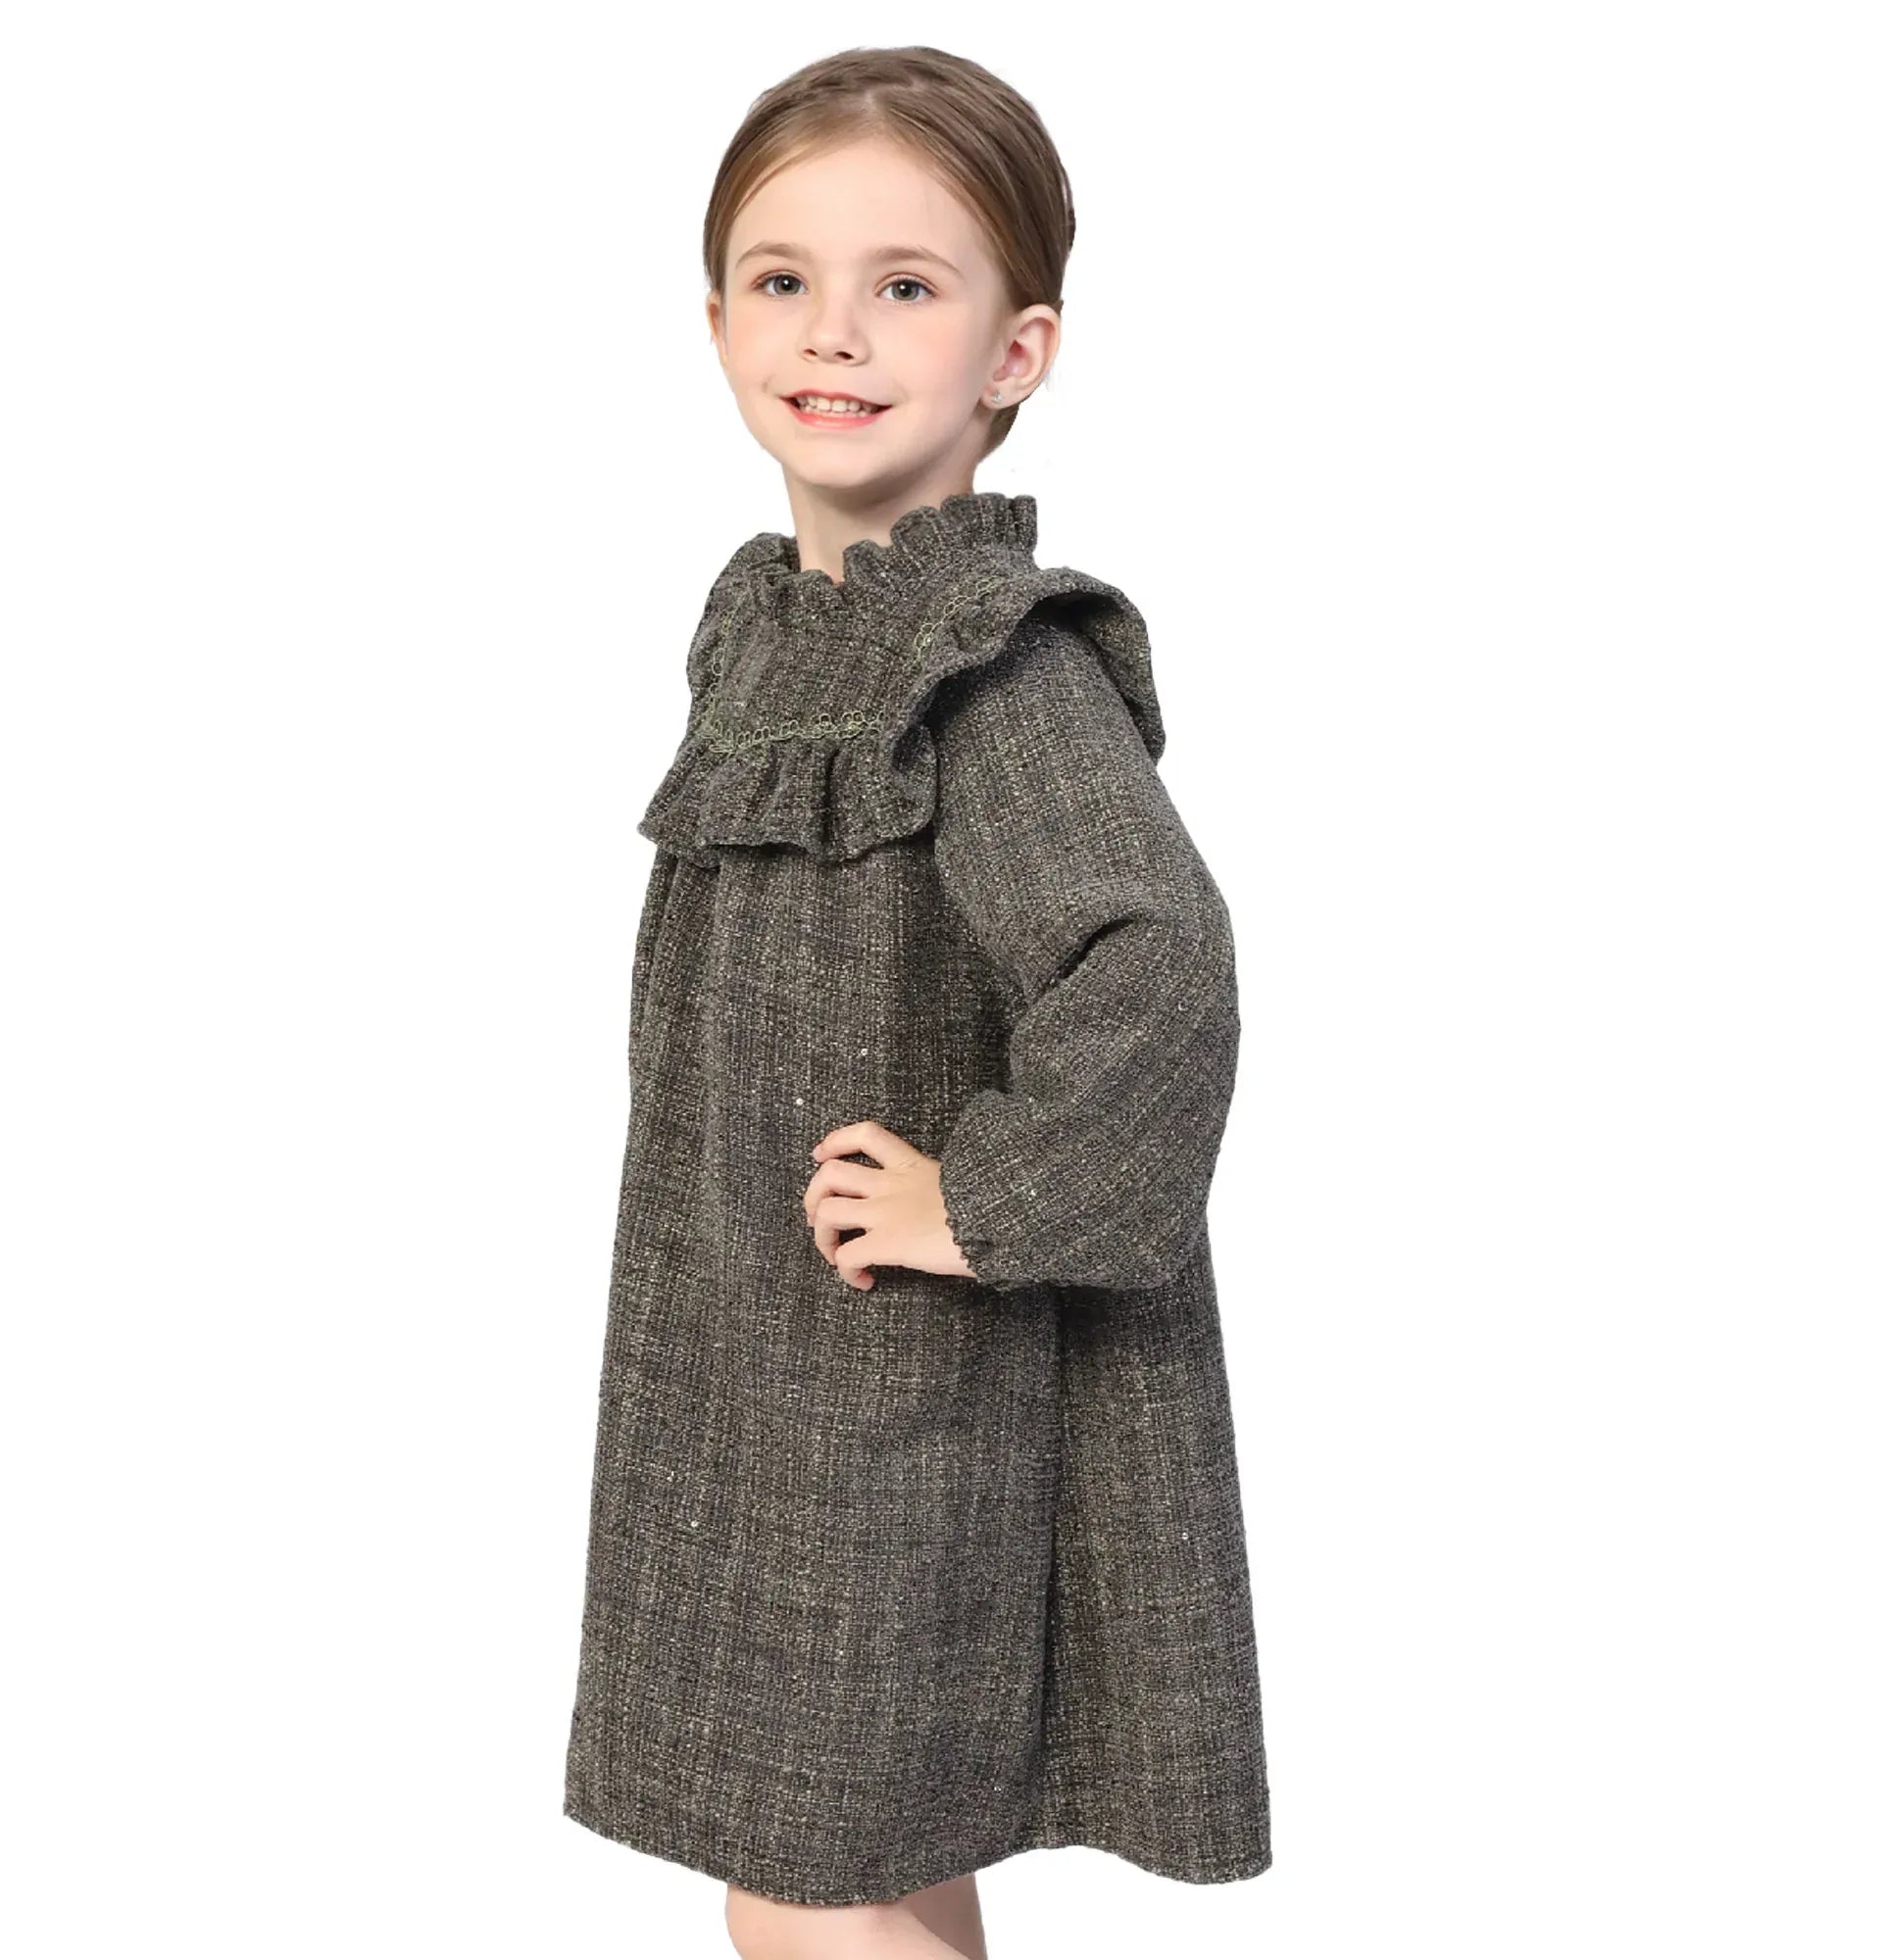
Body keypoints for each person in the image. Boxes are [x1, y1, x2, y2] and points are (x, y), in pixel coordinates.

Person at [563, 45, 1271, 1960]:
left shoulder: (990, 671)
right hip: (756, 1377)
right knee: (848, 1866)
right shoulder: (777, 632)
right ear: (715, 319)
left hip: (902, 1405)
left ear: (1014, 351)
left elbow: (1159, 962)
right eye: (781, 278)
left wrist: (988, 1199)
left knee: (811, 1890)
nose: (834, 330)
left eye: (905, 284)